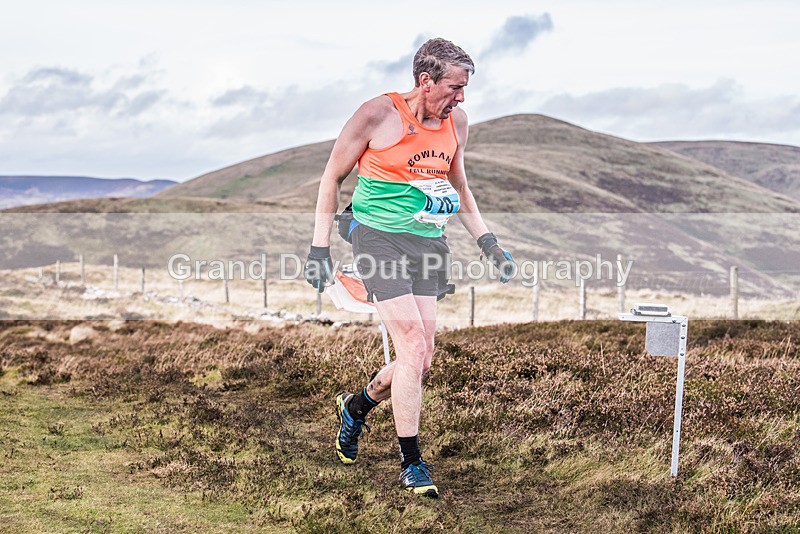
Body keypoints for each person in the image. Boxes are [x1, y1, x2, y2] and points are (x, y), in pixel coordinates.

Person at [304, 37, 515, 498]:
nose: (461, 98)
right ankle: (412, 462)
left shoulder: (456, 121)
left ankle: (356, 406)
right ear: (426, 79)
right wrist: (319, 250)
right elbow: (331, 177)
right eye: (455, 87)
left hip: (427, 241)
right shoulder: (377, 115)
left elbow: (458, 184)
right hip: (376, 238)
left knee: (421, 358)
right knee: (413, 343)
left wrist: (489, 243)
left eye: (465, 88)